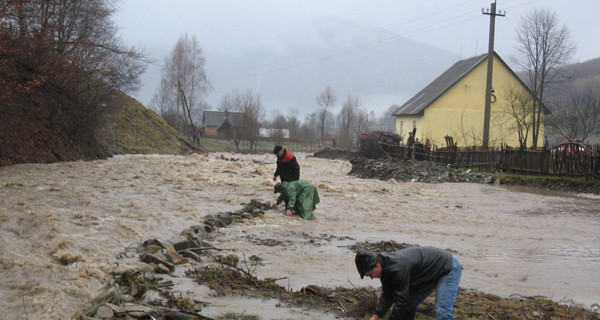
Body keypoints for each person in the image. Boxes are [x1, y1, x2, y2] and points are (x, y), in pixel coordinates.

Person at [355, 246, 461, 320]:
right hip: (429, 273)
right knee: (409, 305)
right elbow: (388, 296)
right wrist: (376, 316)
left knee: (442, 312)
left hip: (447, 267)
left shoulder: (397, 269)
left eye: (370, 274)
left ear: (377, 265)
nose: (372, 278)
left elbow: (401, 302)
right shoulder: (385, 268)